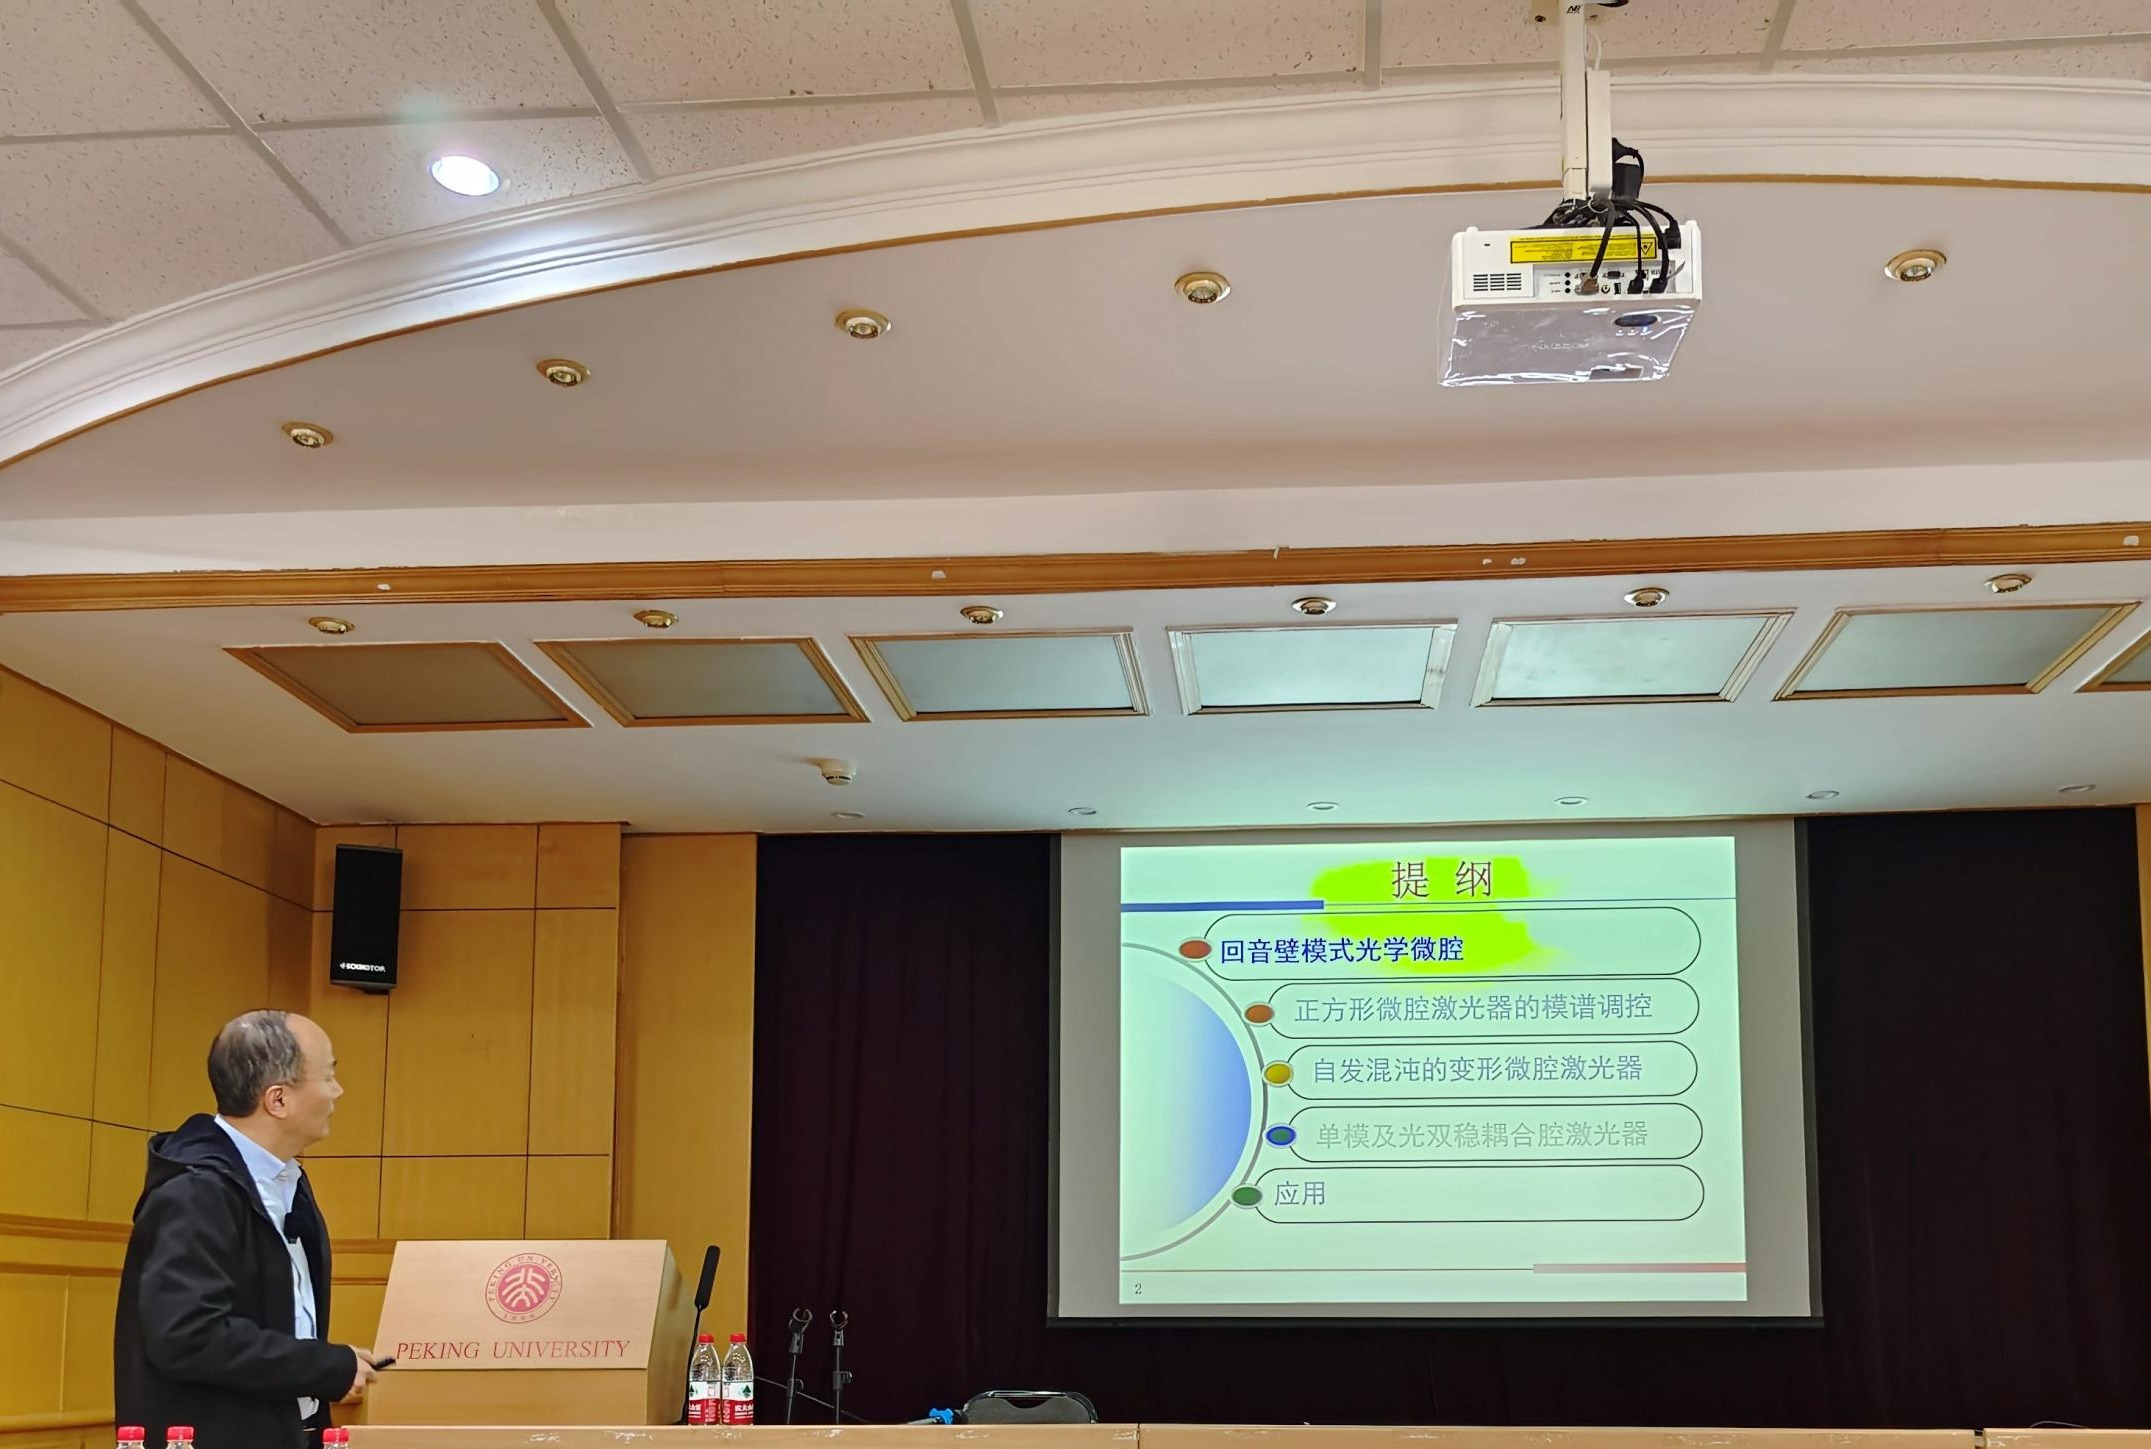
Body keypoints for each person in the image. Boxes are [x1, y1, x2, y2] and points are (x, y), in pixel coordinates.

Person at [115, 1010, 377, 1448]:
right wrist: (323, 1367)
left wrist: (333, 1367)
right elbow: (187, 1336)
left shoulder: (286, 1180)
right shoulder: (196, 1190)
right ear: (278, 1100)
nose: (338, 1091)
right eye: (328, 1076)